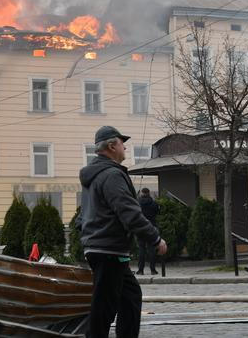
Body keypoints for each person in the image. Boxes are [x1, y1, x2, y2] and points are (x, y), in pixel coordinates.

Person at [79, 126, 167, 338]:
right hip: (108, 249)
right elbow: (130, 213)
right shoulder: (111, 175)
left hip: (102, 247)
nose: (125, 147)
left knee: (130, 297)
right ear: (111, 146)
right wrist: (155, 239)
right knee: (104, 308)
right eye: (121, 143)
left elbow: (82, 216)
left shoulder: (95, 175)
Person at [136, 188, 160, 275]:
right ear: (149, 193)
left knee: (141, 249)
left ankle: (140, 270)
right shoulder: (154, 203)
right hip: (151, 227)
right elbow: (157, 212)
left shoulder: (138, 203)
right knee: (152, 249)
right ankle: (153, 270)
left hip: (140, 227)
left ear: (142, 193)